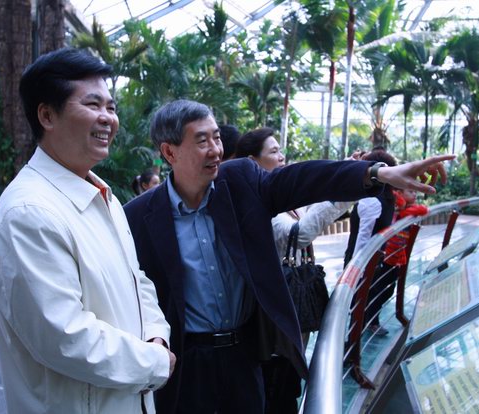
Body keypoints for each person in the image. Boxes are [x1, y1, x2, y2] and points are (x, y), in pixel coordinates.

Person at [123, 99, 452, 414]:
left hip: (244, 355)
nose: (215, 149)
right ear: (169, 152)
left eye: (217, 137)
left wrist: (376, 173)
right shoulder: (138, 218)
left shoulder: (239, 181)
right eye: (201, 141)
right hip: (186, 364)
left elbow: (302, 179)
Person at [0, 48, 175, 414]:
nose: (107, 118)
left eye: (111, 107)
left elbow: (137, 282)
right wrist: (154, 363)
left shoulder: (104, 198)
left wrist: (156, 336)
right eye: (93, 104)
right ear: (47, 115)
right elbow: (65, 338)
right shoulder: (28, 214)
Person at [235, 126, 354, 414]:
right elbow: (298, 234)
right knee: (279, 381)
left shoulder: (281, 199)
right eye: (274, 151)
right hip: (275, 314)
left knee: (289, 375)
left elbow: (313, 206)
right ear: (252, 162)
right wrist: (343, 192)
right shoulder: (257, 205)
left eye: (280, 151)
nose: (282, 157)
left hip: (291, 306)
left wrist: (349, 175)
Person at [344, 149, 398, 336]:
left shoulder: (379, 198)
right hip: (363, 260)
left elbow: (364, 239)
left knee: (371, 294)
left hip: (372, 259)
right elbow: (362, 239)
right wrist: (356, 269)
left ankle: (367, 326)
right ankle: (353, 339)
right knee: (359, 299)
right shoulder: (376, 199)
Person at [374, 189, 429, 329]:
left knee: (388, 290)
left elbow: (420, 210)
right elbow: (421, 210)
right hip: (387, 256)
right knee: (381, 291)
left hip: (396, 257)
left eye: (415, 192)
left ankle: (372, 320)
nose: (414, 194)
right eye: (410, 191)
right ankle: (372, 321)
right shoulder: (397, 206)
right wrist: (404, 204)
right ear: (400, 192)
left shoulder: (405, 208)